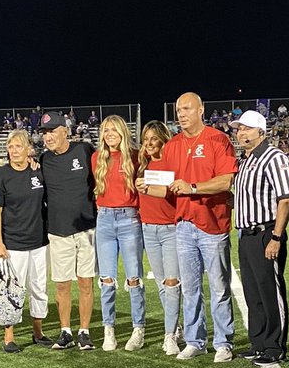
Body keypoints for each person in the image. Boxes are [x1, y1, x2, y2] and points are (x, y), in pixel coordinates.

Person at [166, 92, 237, 363]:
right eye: (178, 110)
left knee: (219, 287)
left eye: (186, 108)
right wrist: (147, 187)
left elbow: (225, 181)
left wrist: (193, 187)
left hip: (213, 223)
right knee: (191, 288)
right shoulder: (172, 145)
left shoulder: (218, 139)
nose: (181, 114)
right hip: (184, 224)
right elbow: (170, 187)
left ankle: (223, 342)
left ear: (201, 109)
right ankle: (196, 340)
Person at [232, 111, 289, 364]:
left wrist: (276, 236)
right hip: (246, 234)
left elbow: (285, 199)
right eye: (238, 129)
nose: (240, 133)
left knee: (270, 291)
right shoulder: (245, 160)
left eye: (246, 128)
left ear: (260, 131)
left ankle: (274, 345)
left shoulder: (272, 156)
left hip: (266, 231)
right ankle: (258, 342)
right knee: (253, 292)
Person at [0, 129, 53, 353]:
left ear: (28, 149)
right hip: (13, 243)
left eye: (18, 146)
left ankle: (38, 331)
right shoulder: (2, 175)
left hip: (39, 241)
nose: (14, 151)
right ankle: (9, 335)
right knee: (13, 290)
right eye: (11, 147)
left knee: (39, 287)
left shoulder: (38, 172)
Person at [37, 110, 97, 351]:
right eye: (44, 133)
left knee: (85, 282)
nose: (48, 137)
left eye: (52, 131)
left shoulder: (84, 151)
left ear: (66, 131)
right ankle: (65, 332)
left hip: (86, 228)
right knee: (62, 284)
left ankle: (84, 331)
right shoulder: (43, 160)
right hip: (58, 230)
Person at [92, 116, 145, 351]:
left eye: (114, 130)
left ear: (123, 132)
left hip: (129, 219)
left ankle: (138, 329)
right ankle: (109, 330)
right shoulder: (97, 158)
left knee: (134, 278)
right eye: (106, 130)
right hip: (104, 219)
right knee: (107, 280)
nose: (110, 134)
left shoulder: (135, 156)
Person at [135, 120, 181, 355]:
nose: (149, 143)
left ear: (163, 138)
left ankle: (169, 335)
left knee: (172, 284)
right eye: (146, 139)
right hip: (148, 229)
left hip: (171, 229)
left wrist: (147, 188)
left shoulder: (172, 162)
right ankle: (175, 327)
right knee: (162, 285)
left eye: (154, 138)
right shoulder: (141, 164)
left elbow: (172, 193)